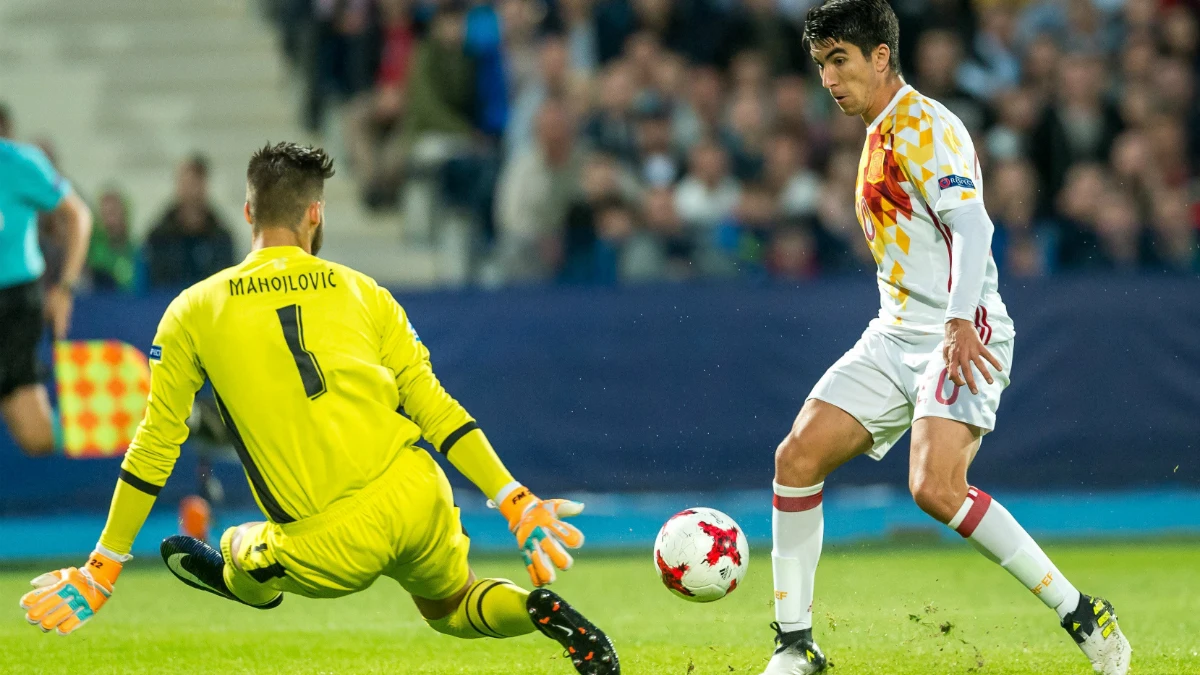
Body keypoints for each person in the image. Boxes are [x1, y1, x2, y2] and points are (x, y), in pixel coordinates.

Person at [18, 142, 620, 675]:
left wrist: (103, 568)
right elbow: (437, 409)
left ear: (249, 213)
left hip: (330, 543)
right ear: (315, 214)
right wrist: (513, 497)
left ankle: (241, 580)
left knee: (236, 548)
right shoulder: (365, 292)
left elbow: (155, 445)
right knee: (454, 606)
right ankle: (539, 610)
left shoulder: (192, 310)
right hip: (416, 490)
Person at [760, 3, 1132, 675]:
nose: (827, 79)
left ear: (880, 56)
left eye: (838, 60)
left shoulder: (927, 127)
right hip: (895, 330)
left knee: (934, 487)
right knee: (796, 458)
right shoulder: (879, 131)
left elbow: (975, 228)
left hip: (962, 326)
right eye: (819, 65)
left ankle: (1082, 610)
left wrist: (960, 320)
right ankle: (795, 644)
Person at [0, 116, 93, 456]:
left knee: (37, 438)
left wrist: (65, 288)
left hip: (13, 306)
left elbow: (78, 216)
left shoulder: (18, 163)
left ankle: (122, 416)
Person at [144, 154, 236, 288]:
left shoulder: (221, 237)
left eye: (195, 183)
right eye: (186, 183)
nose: (191, 191)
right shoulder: (159, 237)